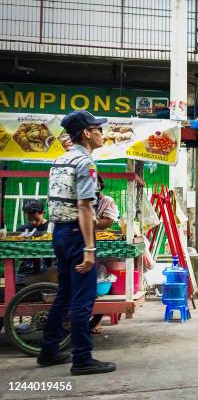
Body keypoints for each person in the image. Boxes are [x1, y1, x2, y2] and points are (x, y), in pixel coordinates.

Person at [39, 110, 116, 375]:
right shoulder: (86, 164)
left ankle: (48, 350)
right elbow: (84, 206)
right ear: (86, 133)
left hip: (59, 233)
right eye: (97, 129)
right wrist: (90, 248)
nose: (101, 133)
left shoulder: (60, 159)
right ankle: (82, 358)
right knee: (82, 299)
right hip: (77, 234)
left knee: (64, 294)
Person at [89, 175, 120, 335]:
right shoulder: (82, 199)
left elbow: (107, 221)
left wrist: (87, 221)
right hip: (83, 240)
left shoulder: (107, 201)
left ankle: (97, 319)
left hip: (100, 243)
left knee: (98, 277)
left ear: (100, 185)